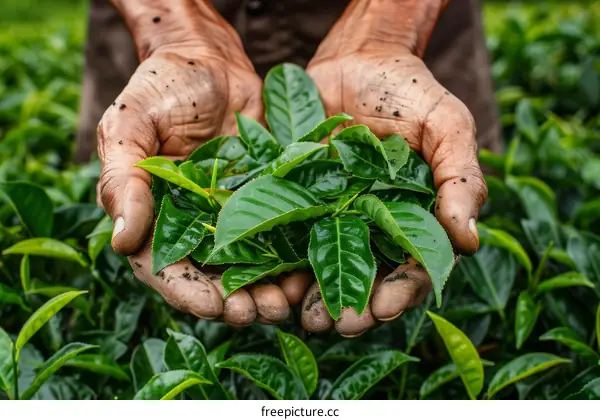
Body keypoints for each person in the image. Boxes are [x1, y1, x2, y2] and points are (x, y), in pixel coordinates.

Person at [77, 0, 498, 337]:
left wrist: (387, 29)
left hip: (401, 45)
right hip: (157, 36)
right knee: (135, 191)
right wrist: (173, 31)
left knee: (448, 207)